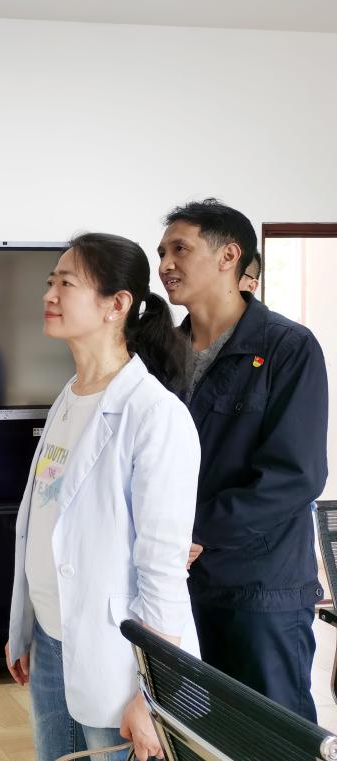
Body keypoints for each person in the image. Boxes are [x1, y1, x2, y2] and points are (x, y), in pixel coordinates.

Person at [6, 233, 201, 761]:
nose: (49, 294)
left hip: (118, 657)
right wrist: (23, 627)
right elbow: (41, 521)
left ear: (117, 305)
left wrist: (151, 691)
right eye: (51, 282)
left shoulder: (154, 415)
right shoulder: (68, 399)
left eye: (66, 284)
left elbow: (162, 568)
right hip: (52, 640)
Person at [158, 199, 328, 721]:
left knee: (271, 735)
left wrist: (193, 530)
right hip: (176, 583)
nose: (165, 264)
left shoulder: (287, 348)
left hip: (260, 590)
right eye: (162, 252)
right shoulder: (161, 356)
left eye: (180, 249)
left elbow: (296, 475)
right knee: (189, 732)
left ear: (229, 256)